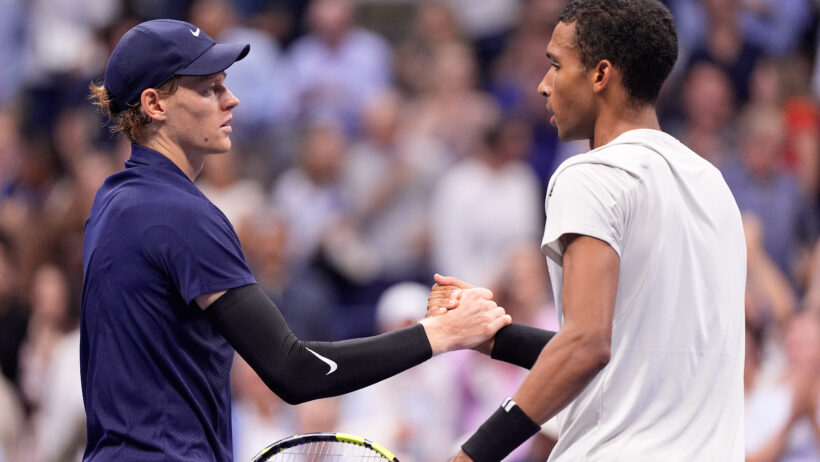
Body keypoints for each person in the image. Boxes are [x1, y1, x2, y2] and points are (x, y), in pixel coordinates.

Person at [81, 19, 511, 462]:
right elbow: (294, 370)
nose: (231, 99)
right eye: (210, 89)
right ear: (154, 104)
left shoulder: (111, 203)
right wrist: (438, 334)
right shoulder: (179, 212)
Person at [439, 1, 747, 460]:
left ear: (600, 74)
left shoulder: (590, 176)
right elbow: (630, 355)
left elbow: (586, 347)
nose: (543, 85)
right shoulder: (714, 185)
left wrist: (472, 456)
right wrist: (495, 336)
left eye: (556, 65)